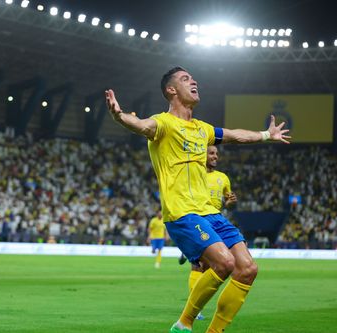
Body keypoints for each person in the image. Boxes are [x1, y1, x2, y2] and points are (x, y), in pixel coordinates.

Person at [106, 66, 290, 333]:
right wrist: (119, 115)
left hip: (211, 214)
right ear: (171, 90)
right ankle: (184, 323)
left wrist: (265, 135)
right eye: (185, 79)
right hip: (182, 213)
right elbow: (142, 125)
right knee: (224, 263)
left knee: (247, 269)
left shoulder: (202, 130)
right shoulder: (164, 123)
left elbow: (235, 135)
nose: (194, 82)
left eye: (193, 79)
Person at [179, 145, 238, 320]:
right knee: (198, 265)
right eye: (211, 153)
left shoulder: (223, 178)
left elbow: (228, 201)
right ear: (201, 155)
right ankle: (195, 312)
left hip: (216, 219)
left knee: (214, 266)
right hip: (197, 219)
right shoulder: (192, 174)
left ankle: (185, 252)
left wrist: (231, 202)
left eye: (216, 154)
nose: (215, 157)